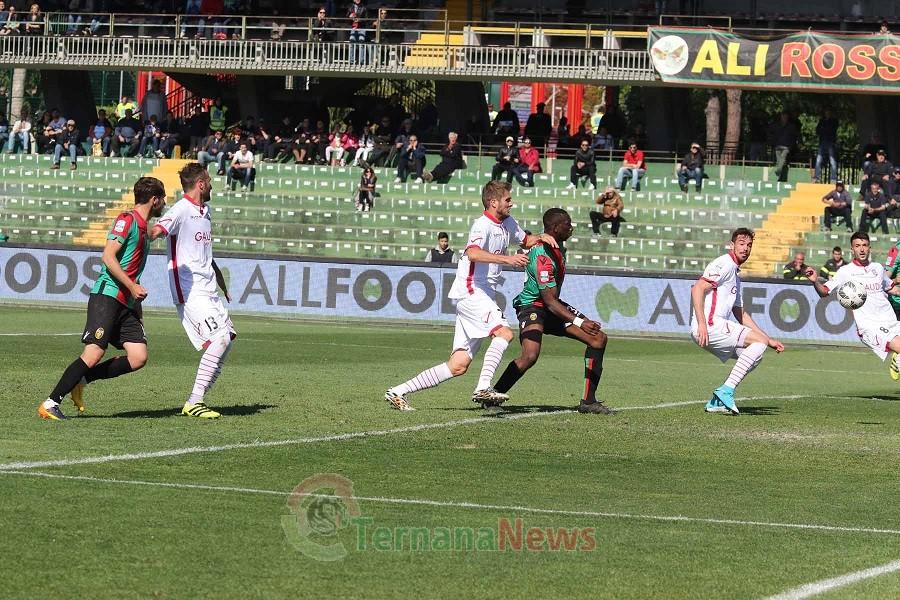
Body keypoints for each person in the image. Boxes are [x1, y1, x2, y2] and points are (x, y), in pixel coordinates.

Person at [384, 181, 555, 411]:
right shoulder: (481, 225)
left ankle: (397, 391)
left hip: (482, 294)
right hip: (471, 290)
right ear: (493, 202)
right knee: (503, 333)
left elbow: (525, 240)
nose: (511, 203)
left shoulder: (508, 222)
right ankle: (483, 387)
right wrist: (508, 259)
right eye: (507, 200)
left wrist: (543, 236)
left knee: (458, 365)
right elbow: (472, 253)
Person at [38, 177, 167, 420]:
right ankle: (51, 402)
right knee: (94, 353)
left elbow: (154, 237)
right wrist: (131, 285)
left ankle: (82, 380)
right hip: (108, 295)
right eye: (163, 200)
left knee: (138, 357)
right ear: (154, 200)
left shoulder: (144, 228)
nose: (164, 204)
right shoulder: (126, 220)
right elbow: (108, 256)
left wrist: (135, 304)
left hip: (127, 303)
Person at [492, 208, 613, 415]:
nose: (571, 226)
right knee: (530, 355)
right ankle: (494, 395)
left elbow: (552, 300)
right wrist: (580, 322)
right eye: (567, 223)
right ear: (555, 228)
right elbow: (548, 301)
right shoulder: (542, 255)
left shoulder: (557, 247)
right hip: (533, 306)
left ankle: (589, 402)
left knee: (598, 339)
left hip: (551, 305)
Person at [149, 163, 235, 419]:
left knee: (226, 339)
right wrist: (136, 225)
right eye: (208, 180)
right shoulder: (180, 210)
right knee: (218, 340)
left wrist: (220, 281)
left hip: (209, 290)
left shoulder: (205, 211)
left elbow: (205, 254)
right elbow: (155, 231)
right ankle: (194, 402)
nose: (211, 185)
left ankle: (196, 400)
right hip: (190, 290)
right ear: (200, 184)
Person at [690, 228, 785, 415]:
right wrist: (702, 323)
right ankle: (726, 390)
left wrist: (769, 339)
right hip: (710, 325)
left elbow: (740, 312)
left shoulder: (735, 273)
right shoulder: (724, 264)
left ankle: (717, 402)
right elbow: (697, 289)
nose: (746, 248)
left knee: (755, 355)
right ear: (732, 245)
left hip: (713, 327)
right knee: (758, 344)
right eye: (741, 244)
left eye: (749, 245)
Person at [807, 232, 900, 378]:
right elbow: (824, 291)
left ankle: (898, 360)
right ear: (852, 250)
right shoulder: (845, 271)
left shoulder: (878, 268)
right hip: (870, 326)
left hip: (890, 320)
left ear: (870, 248)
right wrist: (815, 281)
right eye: (857, 246)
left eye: (864, 245)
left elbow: (892, 288)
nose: (861, 249)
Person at [768, 111, 800, 183]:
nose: (784, 118)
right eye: (783, 116)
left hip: (786, 147)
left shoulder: (791, 126)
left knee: (782, 159)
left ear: (787, 117)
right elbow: (771, 133)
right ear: (781, 117)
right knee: (780, 162)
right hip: (777, 146)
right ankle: (782, 178)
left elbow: (795, 136)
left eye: (785, 116)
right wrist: (772, 142)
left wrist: (792, 145)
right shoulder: (776, 125)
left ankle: (778, 171)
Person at [814, 109, 838, 184]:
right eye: (826, 112)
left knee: (832, 161)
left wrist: (823, 129)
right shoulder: (822, 121)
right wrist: (823, 129)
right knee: (818, 161)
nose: (827, 114)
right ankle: (817, 178)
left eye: (828, 112)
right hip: (822, 142)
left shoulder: (834, 121)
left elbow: (832, 130)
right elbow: (817, 130)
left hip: (830, 142)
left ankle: (833, 178)